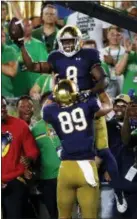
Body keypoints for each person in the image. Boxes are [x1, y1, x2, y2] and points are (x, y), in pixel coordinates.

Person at [42, 79, 113, 219]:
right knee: (89, 215)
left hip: (66, 169)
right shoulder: (87, 105)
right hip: (86, 166)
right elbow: (108, 106)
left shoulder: (52, 111)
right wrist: (97, 90)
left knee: (63, 216)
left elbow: (45, 107)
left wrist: (53, 95)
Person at [1, 96, 39, 219]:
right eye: (0, 107)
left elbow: (32, 151)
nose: (3, 110)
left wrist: (29, 159)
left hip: (14, 180)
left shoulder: (19, 125)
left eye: (4, 106)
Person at [31, 92, 61, 219]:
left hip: (66, 175)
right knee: (53, 213)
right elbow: (32, 154)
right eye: (47, 104)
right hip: (48, 178)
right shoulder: (35, 129)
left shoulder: (65, 123)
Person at [11, 19, 49, 97]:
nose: (26, 28)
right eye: (24, 26)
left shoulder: (39, 45)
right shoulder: (12, 47)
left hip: (35, 89)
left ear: (32, 27)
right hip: (16, 90)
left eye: (29, 25)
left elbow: (44, 69)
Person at [100, 25, 126, 98]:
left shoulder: (125, 51)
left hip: (122, 84)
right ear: (107, 36)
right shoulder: (101, 52)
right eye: (112, 34)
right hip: (107, 87)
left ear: (121, 36)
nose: (115, 37)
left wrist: (113, 62)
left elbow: (125, 70)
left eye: (118, 35)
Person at [1, 28, 18, 97]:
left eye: (3, 36)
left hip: (6, 96)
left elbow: (12, 72)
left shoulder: (10, 50)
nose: (2, 39)